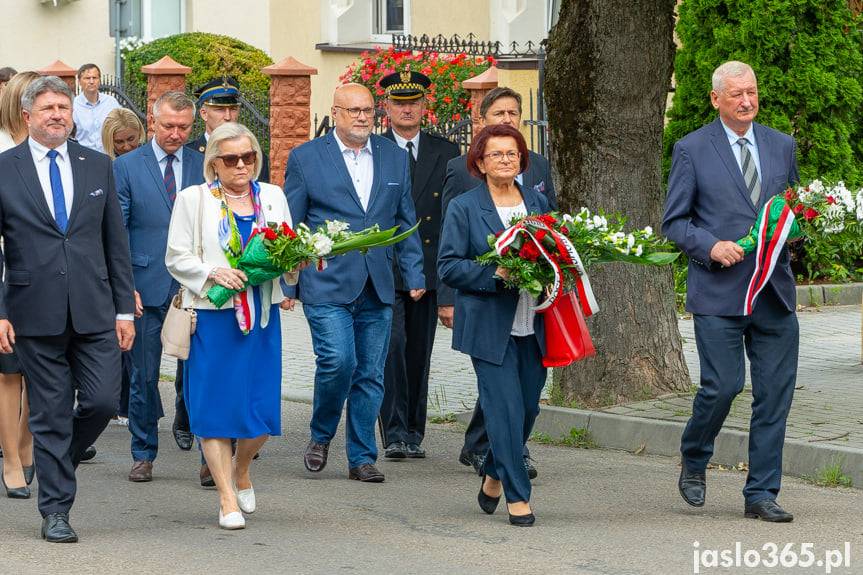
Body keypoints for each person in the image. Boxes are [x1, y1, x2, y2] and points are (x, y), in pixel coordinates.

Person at [662, 61, 800, 523]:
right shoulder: (691, 149)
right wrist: (710, 245)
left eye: (752, 92)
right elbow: (675, 223)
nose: (746, 101)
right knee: (723, 386)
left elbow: (792, 213)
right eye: (737, 94)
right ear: (716, 98)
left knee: (774, 395)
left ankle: (761, 492)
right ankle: (695, 454)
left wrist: (802, 225)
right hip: (720, 291)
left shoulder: (782, 146)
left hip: (773, 293)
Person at [0, 76, 135, 542]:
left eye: (63, 106)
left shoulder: (96, 165)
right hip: (32, 311)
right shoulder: (5, 168)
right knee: (51, 413)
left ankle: (58, 457)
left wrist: (124, 310)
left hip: (95, 308)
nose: (57, 114)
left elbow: (114, 241)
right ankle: (56, 511)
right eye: (48, 108)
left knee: (100, 401)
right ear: (27, 116)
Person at [284, 83, 425, 483]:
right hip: (326, 282)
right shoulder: (306, 158)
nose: (363, 117)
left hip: (378, 283)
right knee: (337, 362)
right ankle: (321, 434)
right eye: (354, 111)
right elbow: (291, 225)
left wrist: (413, 273)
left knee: (370, 373)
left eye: (368, 110)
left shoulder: (394, 157)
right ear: (336, 112)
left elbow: (405, 219)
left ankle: (362, 456)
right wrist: (289, 284)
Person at [166, 122, 297, 529]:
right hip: (212, 318)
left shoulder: (272, 196)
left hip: (260, 317)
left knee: (260, 413)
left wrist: (298, 261)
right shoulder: (194, 199)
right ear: (214, 164)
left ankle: (242, 469)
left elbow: (287, 247)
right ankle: (226, 498)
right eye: (231, 159)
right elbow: (175, 256)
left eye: (249, 157)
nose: (242, 165)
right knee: (216, 410)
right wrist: (212, 273)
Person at [440, 86, 556, 478]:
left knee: (527, 405)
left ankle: (493, 467)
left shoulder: (536, 200)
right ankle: (514, 488)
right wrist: (495, 274)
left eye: (512, 154)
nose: (505, 160)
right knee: (503, 404)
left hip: (533, 317)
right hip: (489, 316)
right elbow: (450, 261)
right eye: (497, 154)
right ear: (481, 161)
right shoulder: (464, 198)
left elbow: (553, 239)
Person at [114, 91, 204, 482]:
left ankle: (209, 453)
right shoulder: (128, 166)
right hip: (145, 284)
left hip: (195, 288)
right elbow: (116, 231)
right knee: (144, 377)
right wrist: (123, 287)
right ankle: (143, 451)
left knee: (201, 374)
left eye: (183, 127)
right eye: (168, 125)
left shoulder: (205, 165)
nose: (176, 133)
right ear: (153, 121)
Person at [378, 70, 459, 460]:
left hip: (428, 268)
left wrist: (447, 287)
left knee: (418, 353)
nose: (406, 109)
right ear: (387, 107)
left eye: (413, 102)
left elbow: (452, 220)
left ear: (425, 106)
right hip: (385, 268)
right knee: (390, 349)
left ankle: (413, 430)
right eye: (399, 102)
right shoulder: (375, 150)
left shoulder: (447, 153)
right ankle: (393, 431)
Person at [0, 70, 40, 499]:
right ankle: (11, 457)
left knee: (39, 371)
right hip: (6, 275)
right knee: (10, 373)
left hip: (42, 278)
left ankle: (27, 443)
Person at [187, 77, 270, 183]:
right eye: (220, 109)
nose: (228, 116)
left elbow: (259, 194)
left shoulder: (253, 155)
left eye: (233, 109)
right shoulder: (189, 154)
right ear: (204, 114)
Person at [72, 64, 121, 154]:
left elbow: (122, 126)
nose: (91, 81)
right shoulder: (73, 106)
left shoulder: (111, 102)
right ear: (79, 81)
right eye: (87, 78)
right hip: (84, 157)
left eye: (94, 78)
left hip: (109, 157)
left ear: (99, 80)